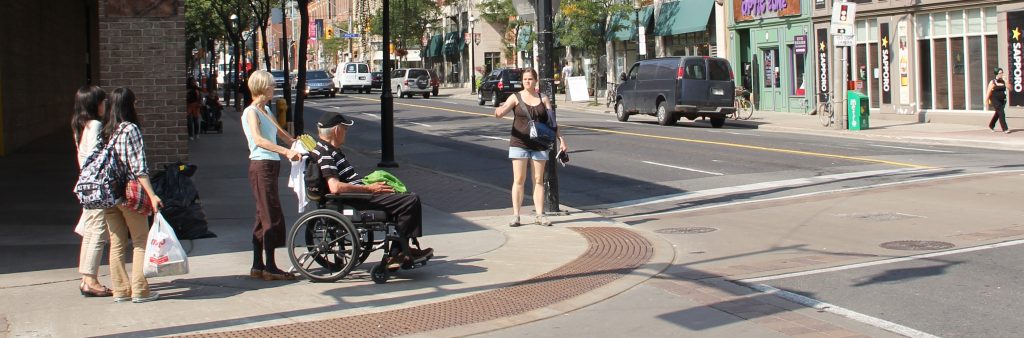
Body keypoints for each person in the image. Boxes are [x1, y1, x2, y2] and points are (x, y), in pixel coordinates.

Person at [311, 112, 433, 271]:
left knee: (401, 196)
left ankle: (401, 249)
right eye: (345, 129)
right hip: (355, 199)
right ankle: (397, 251)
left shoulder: (327, 149)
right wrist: (369, 188)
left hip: (357, 195)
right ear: (336, 131)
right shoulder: (326, 154)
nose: (346, 133)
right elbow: (335, 187)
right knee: (411, 200)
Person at [102, 87, 164, 303]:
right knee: (140, 240)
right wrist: (153, 195)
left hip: (109, 194)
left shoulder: (108, 130)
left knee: (117, 242)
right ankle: (140, 289)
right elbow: (139, 168)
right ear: (129, 105)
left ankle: (120, 290)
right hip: (130, 193)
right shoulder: (130, 129)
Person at [242, 70, 302, 281]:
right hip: (261, 165)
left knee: (262, 215)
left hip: (271, 165)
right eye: (271, 85)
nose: (273, 88)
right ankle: (271, 266)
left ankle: (257, 265)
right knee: (271, 214)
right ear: (261, 87)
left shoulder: (266, 109)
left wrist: (299, 145)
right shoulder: (251, 112)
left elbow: (279, 133)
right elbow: (258, 140)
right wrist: (286, 152)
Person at [493, 68, 568, 227]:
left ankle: (540, 215)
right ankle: (516, 215)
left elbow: (552, 123)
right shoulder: (515, 97)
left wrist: (561, 139)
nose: (527, 81)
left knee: (538, 180)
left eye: (530, 79)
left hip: (539, 144)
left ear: (535, 81)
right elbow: (503, 110)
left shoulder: (543, 98)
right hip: (519, 143)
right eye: (525, 79)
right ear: (522, 81)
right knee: (519, 179)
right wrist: (498, 112)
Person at [71, 85, 113, 297]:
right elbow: (98, 158)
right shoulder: (96, 125)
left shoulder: (81, 125)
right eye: (103, 101)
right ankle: (91, 280)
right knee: (97, 232)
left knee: (90, 231)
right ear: (95, 104)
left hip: (86, 185)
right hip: (97, 187)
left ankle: (86, 277)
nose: (105, 105)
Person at [986, 67, 1010, 133]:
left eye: (1002, 73)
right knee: (1002, 113)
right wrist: (986, 101)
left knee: (998, 113)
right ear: (996, 74)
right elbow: (988, 92)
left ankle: (991, 125)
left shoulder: (1003, 81)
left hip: (1003, 100)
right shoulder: (993, 82)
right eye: (1000, 73)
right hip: (995, 99)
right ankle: (1005, 129)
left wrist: (1006, 81)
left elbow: (1010, 88)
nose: (1001, 74)